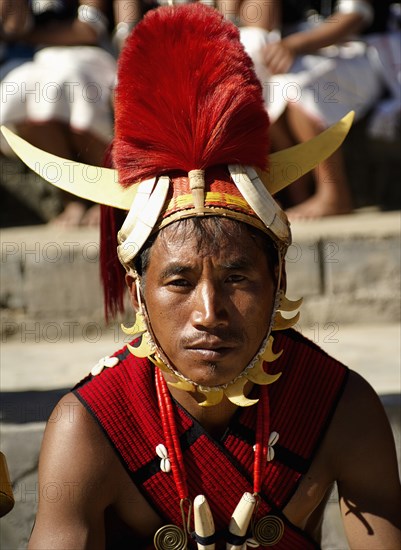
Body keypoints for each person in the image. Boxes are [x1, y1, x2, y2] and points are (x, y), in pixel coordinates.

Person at [2, 4, 400, 549]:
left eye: (237, 278)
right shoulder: (90, 426)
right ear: (137, 290)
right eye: (179, 282)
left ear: (278, 279)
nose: (209, 312)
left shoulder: (340, 406)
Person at [229, 0, 393, 218]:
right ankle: (297, 197)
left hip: (355, 51)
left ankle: (334, 194)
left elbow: (356, 16)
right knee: (256, 76)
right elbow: (255, 21)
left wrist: (294, 45)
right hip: (296, 54)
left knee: (298, 85)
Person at [0, 0, 116, 226]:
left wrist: (26, 36)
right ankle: (72, 196)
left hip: (85, 53)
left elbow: (88, 30)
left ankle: (109, 190)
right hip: (36, 59)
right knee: (15, 92)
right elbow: (10, 28)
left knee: (64, 80)